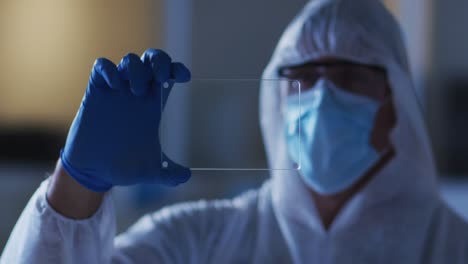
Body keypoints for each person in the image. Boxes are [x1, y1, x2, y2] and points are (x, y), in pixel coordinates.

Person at [2, 0, 468, 263]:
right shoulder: (199, 239)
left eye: (349, 78)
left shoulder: (452, 248)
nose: (322, 97)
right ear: (278, 101)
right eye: (303, 78)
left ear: (397, 104)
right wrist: (76, 186)